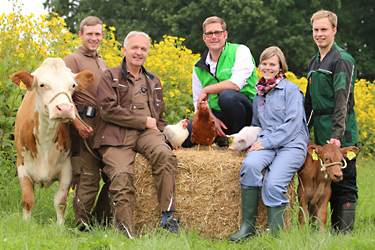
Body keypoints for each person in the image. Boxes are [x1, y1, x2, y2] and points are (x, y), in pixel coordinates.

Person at [93, 31, 179, 237]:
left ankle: (168, 220)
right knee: (121, 176)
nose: (138, 52)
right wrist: (142, 121)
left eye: (143, 49)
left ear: (147, 53)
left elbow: (159, 114)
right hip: (116, 136)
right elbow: (107, 110)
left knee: (164, 155)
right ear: (124, 50)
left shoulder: (153, 79)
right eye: (134, 48)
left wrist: (164, 135)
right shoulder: (110, 76)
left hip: (147, 133)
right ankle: (126, 235)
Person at [230, 46, 308, 241]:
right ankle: (247, 227)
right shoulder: (259, 94)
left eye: (272, 64)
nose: (267, 67)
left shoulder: (291, 90)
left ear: (280, 66)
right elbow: (257, 124)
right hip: (267, 142)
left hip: (291, 144)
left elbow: (293, 124)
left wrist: (266, 143)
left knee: (273, 184)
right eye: (264, 63)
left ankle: (275, 236)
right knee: (249, 165)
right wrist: (248, 140)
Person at [304, 10, 359, 233]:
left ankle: (344, 233)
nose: (319, 34)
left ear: (334, 30)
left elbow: (342, 101)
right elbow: (309, 103)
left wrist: (336, 136)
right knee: (325, 179)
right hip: (321, 130)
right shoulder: (314, 61)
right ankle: (325, 229)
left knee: (344, 180)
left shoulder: (342, 60)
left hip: (341, 130)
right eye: (316, 30)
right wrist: (302, 132)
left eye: (324, 29)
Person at [64, 16, 111, 230]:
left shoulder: (102, 62)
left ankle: (100, 219)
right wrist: (77, 123)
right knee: (89, 175)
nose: (94, 38)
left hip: (105, 125)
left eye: (98, 34)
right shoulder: (72, 60)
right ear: (81, 35)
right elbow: (64, 96)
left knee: (113, 173)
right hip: (85, 123)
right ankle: (82, 225)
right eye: (89, 34)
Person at [182, 16, 257, 147]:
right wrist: (211, 119)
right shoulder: (198, 66)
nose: (214, 37)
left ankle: (237, 140)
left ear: (225, 35)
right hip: (218, 115)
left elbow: (235, 84)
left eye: (218, 32)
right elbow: (198, 102)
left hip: (245, 112)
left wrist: (207, 89)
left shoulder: (240, 51)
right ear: (204, 37)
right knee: (186, 138)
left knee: (227, 96)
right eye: (209, 33)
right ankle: (220, 138)